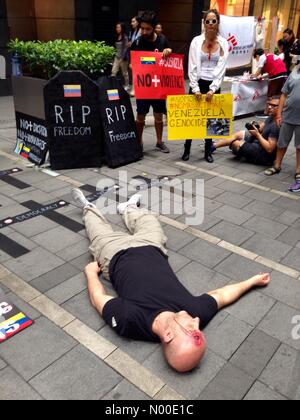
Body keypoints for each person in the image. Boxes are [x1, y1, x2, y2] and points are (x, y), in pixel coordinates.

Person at [71, 187, 271, 373]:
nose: (197, 322)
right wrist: (252, 281)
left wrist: (90, 273)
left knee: (97, 231)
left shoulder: (129, 321)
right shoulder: (195, 313)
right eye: (198, 329)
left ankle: (88, 208)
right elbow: (222, 295)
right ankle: (128, 208)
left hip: (113, 255)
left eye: (192, 330)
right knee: (149, 222)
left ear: (168, 336)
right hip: (151, 246)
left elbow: (98, 298)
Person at [182, 9, 229, 163]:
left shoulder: (223, 43)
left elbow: (221, 68)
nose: (210, 24)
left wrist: (213, 89)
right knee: (192, 118)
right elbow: (192, 65)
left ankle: (208, 151)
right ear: (204, 23)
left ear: (218, 23)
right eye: (207, 21)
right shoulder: (196, 41)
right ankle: (187, 149)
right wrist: (194, 88)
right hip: (198, 81)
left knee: (212, 121)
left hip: (213, 85)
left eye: (213, 21)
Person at [131, 10, 172, 153]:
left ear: (154, 28)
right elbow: (133, 63)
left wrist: (168, 50)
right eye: (142, 28)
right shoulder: (138, 42)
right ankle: (139, 142)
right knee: (140, 116)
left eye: (147, 29)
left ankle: (159, 142)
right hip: (143, 87)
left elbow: (169, 51)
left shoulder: (162, 39)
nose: (144, 31)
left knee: (158, 116)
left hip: (158, 86)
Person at [212, 97, 280, 167]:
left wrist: (257, 135)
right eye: (269, 104)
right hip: (259, 144)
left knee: (234, 143)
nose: (269, 107)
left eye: (274, 106)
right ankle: (213, 146)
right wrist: (255, 126)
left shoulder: (276, 126)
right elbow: (261, 128)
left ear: (282, 107)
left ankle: (242, 150)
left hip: (264, 156)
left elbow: (269, 149)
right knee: (239, 134)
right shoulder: (272, 116)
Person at [265, 64, 300, 193]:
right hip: (288, 114)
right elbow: (284, 94)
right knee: (282, 142)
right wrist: (279, 114)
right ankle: (277, 165)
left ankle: (298, 172)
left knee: (299, 146)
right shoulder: (295, 71)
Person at [111, 23, 130, 90]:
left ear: (122, 28)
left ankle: (127, 85)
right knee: (113, 71)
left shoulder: (125, 37)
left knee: (124, 72)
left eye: (118, 27)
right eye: (116, 27)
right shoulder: (117, 36)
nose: (117, 29)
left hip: (123, 58)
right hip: (117, 56)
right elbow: (115, 47)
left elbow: (125, 48)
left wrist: (122, 58)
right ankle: (112, 85)